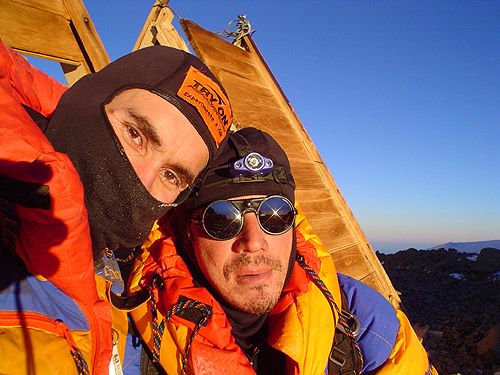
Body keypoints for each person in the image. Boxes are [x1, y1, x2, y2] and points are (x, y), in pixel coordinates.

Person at [0, 40, 232, 374]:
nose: (141, 181)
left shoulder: (114, 274)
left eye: (171, 176)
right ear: (88, 102)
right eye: (136, 134)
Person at [129, 127, 437, 374]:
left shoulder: (361, 323)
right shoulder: (134, 340)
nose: (253, 240)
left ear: (294, 225)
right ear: (186, 235)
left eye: (274, 215)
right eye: (221, 219)